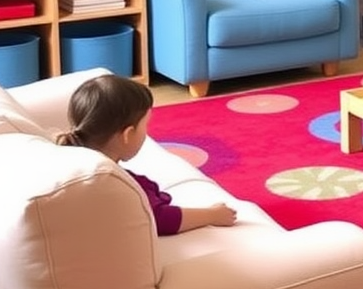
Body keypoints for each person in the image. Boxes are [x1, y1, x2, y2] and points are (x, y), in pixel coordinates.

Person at [55, 73, 237, 235]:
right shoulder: (114, 183)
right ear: (127, 135)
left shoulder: (75, 159)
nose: (147, 132)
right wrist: (212, 215)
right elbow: (160, 218)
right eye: (145, 125)